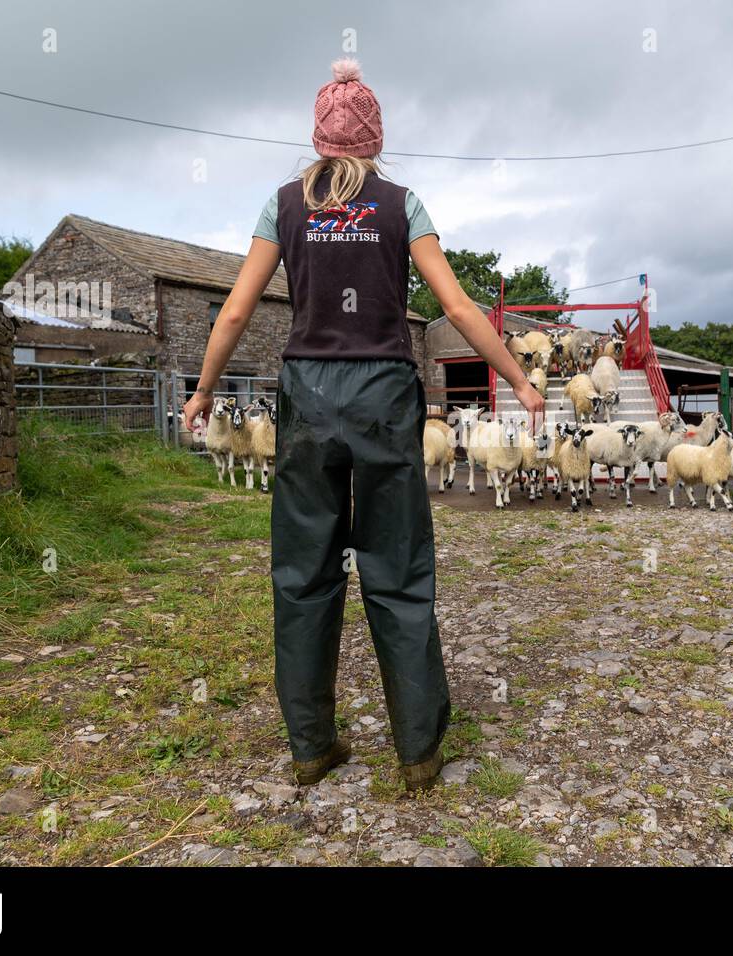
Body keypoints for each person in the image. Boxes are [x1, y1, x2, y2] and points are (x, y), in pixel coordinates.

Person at [182, 58, 544, 791]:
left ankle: (311, 747)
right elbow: (461, 307)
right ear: (375, 138)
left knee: (303, 571)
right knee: (399, 570)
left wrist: (203, 392)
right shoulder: (402, 205)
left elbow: (237, 311)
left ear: (318, 137)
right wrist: (516, 379)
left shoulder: (283, 205)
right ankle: (417, 753)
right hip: (383, 395)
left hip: (308, 395)